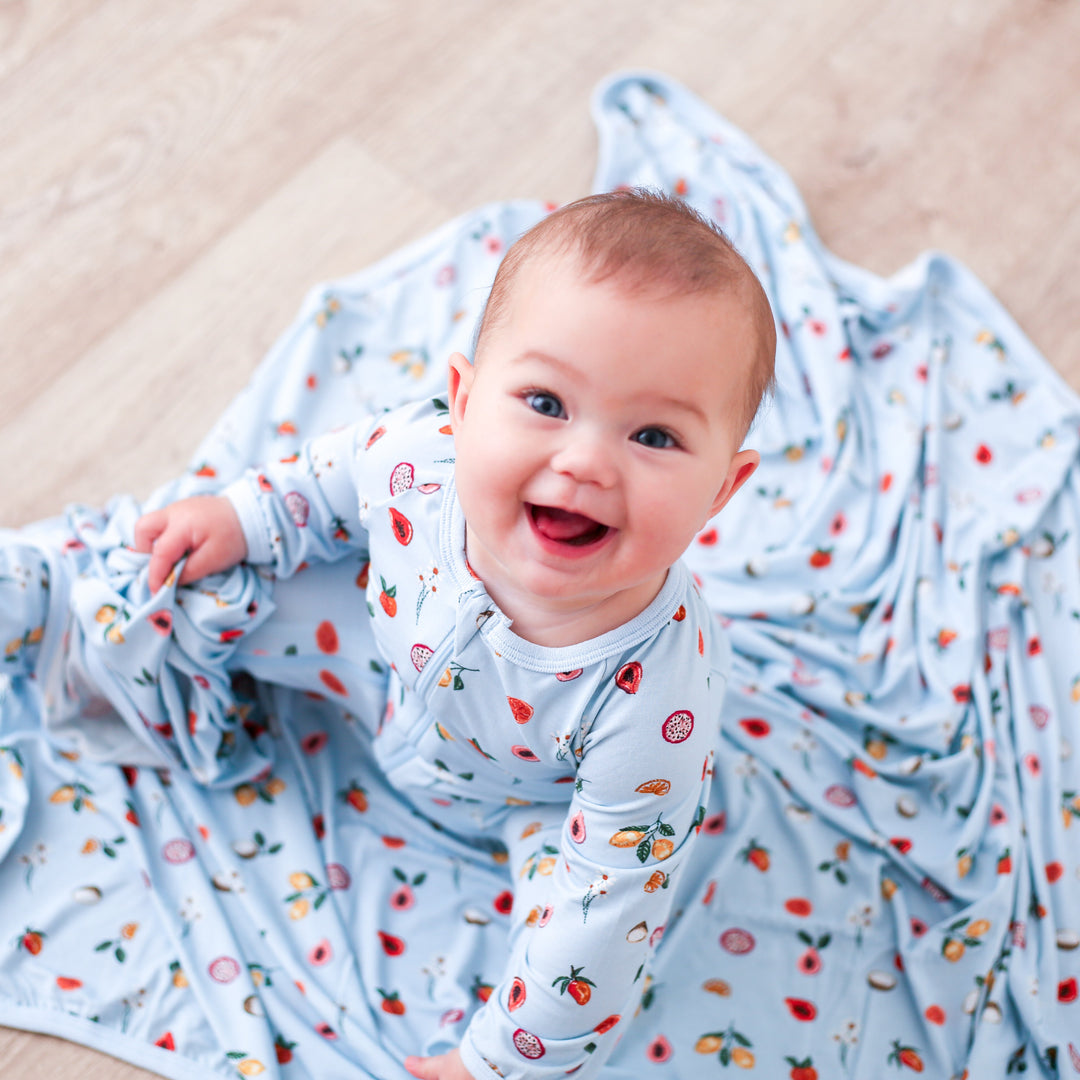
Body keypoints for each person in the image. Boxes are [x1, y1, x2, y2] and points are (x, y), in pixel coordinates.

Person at [134, 189, 776, 1080]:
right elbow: (328, 481)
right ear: (464, 403)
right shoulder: (420, 462)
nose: (585, 461)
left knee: (580, 940)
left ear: (721, 492)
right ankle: (90, 649)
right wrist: (243, 517)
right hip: (375, 669)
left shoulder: (657, 696)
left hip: (529, 804)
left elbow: (605, 903)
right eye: (546, 401)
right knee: (197, 582)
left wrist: (495, 1060)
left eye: (655, 434)